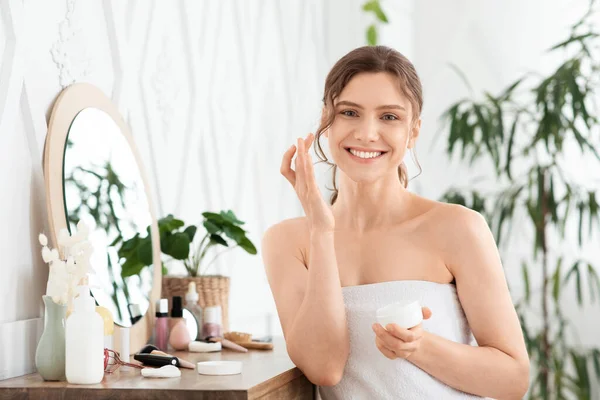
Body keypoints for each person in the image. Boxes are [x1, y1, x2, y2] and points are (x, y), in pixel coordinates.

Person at [261, 45, 530, 399]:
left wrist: (420, 347)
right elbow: (324, 368)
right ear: (327, 120)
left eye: (389, 117)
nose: (367, 133)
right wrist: (321, 231)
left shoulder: (458, 228)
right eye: (350, 112)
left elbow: (512, 379)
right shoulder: (289, 241)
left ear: (413, 131)